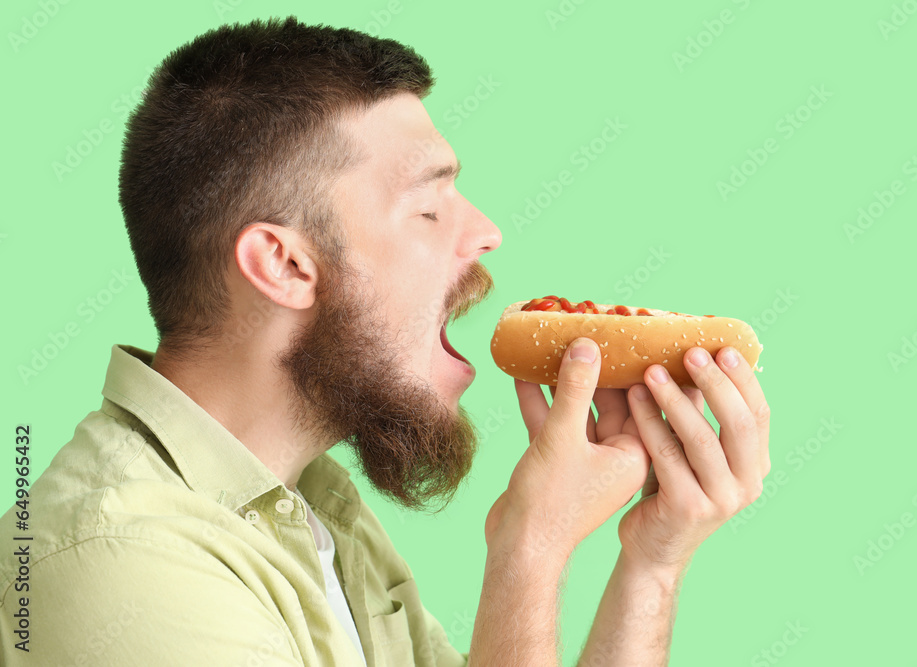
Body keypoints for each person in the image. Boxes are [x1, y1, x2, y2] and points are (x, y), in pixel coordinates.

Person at [0, 16, 771, 666]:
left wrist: (652, 562)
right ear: (286, 264)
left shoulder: (311, 509)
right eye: (429, 209)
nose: (486, 233)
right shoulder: (123, 564)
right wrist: (529, 551)